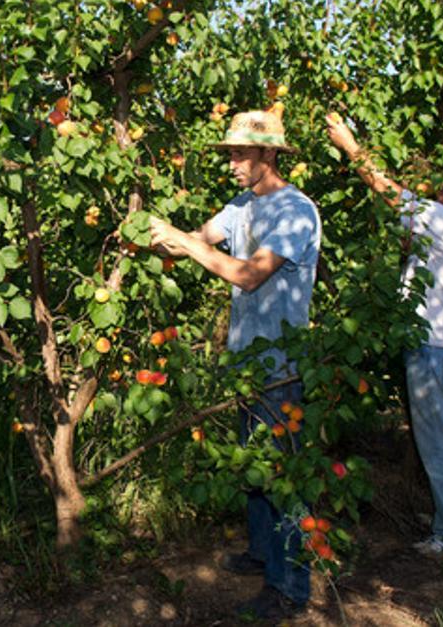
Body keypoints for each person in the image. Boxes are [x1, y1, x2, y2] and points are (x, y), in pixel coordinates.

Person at [150, 109, 322, 619]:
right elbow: (200, 240)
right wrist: (155, 235)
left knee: (283, 474)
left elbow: (248, 276)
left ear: (269, 155)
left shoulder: (296, 211)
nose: (232, 164)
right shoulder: (241, 205)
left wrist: (184, 243)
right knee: (253, 464)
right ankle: (260, 553)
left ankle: (290, 586)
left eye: (240, 155)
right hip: (248, 361)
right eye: (229, 155)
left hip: (282, 364)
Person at [326, 114, 443, 559]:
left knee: (441, 447)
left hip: (437, 349)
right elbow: (415, 245)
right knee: (442, 443)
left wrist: (350, 146)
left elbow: (390, 195)